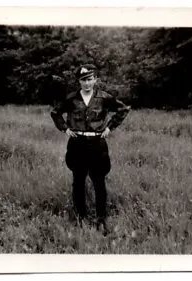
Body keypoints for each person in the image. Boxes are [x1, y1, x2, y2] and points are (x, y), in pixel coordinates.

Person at [50, 64, 130, 234]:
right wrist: (65, 129)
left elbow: (123, 109)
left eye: (89, 79)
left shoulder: (104, 97)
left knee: (99, 182)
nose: (86, 83)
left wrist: (109, 127)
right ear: (79, 81)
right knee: (78, 182)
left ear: (95, 79)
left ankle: (101, 219)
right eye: (83, 80)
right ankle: (80, 218)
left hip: (97, 144)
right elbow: (55, 113)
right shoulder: (71, 98)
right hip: (77, 143)